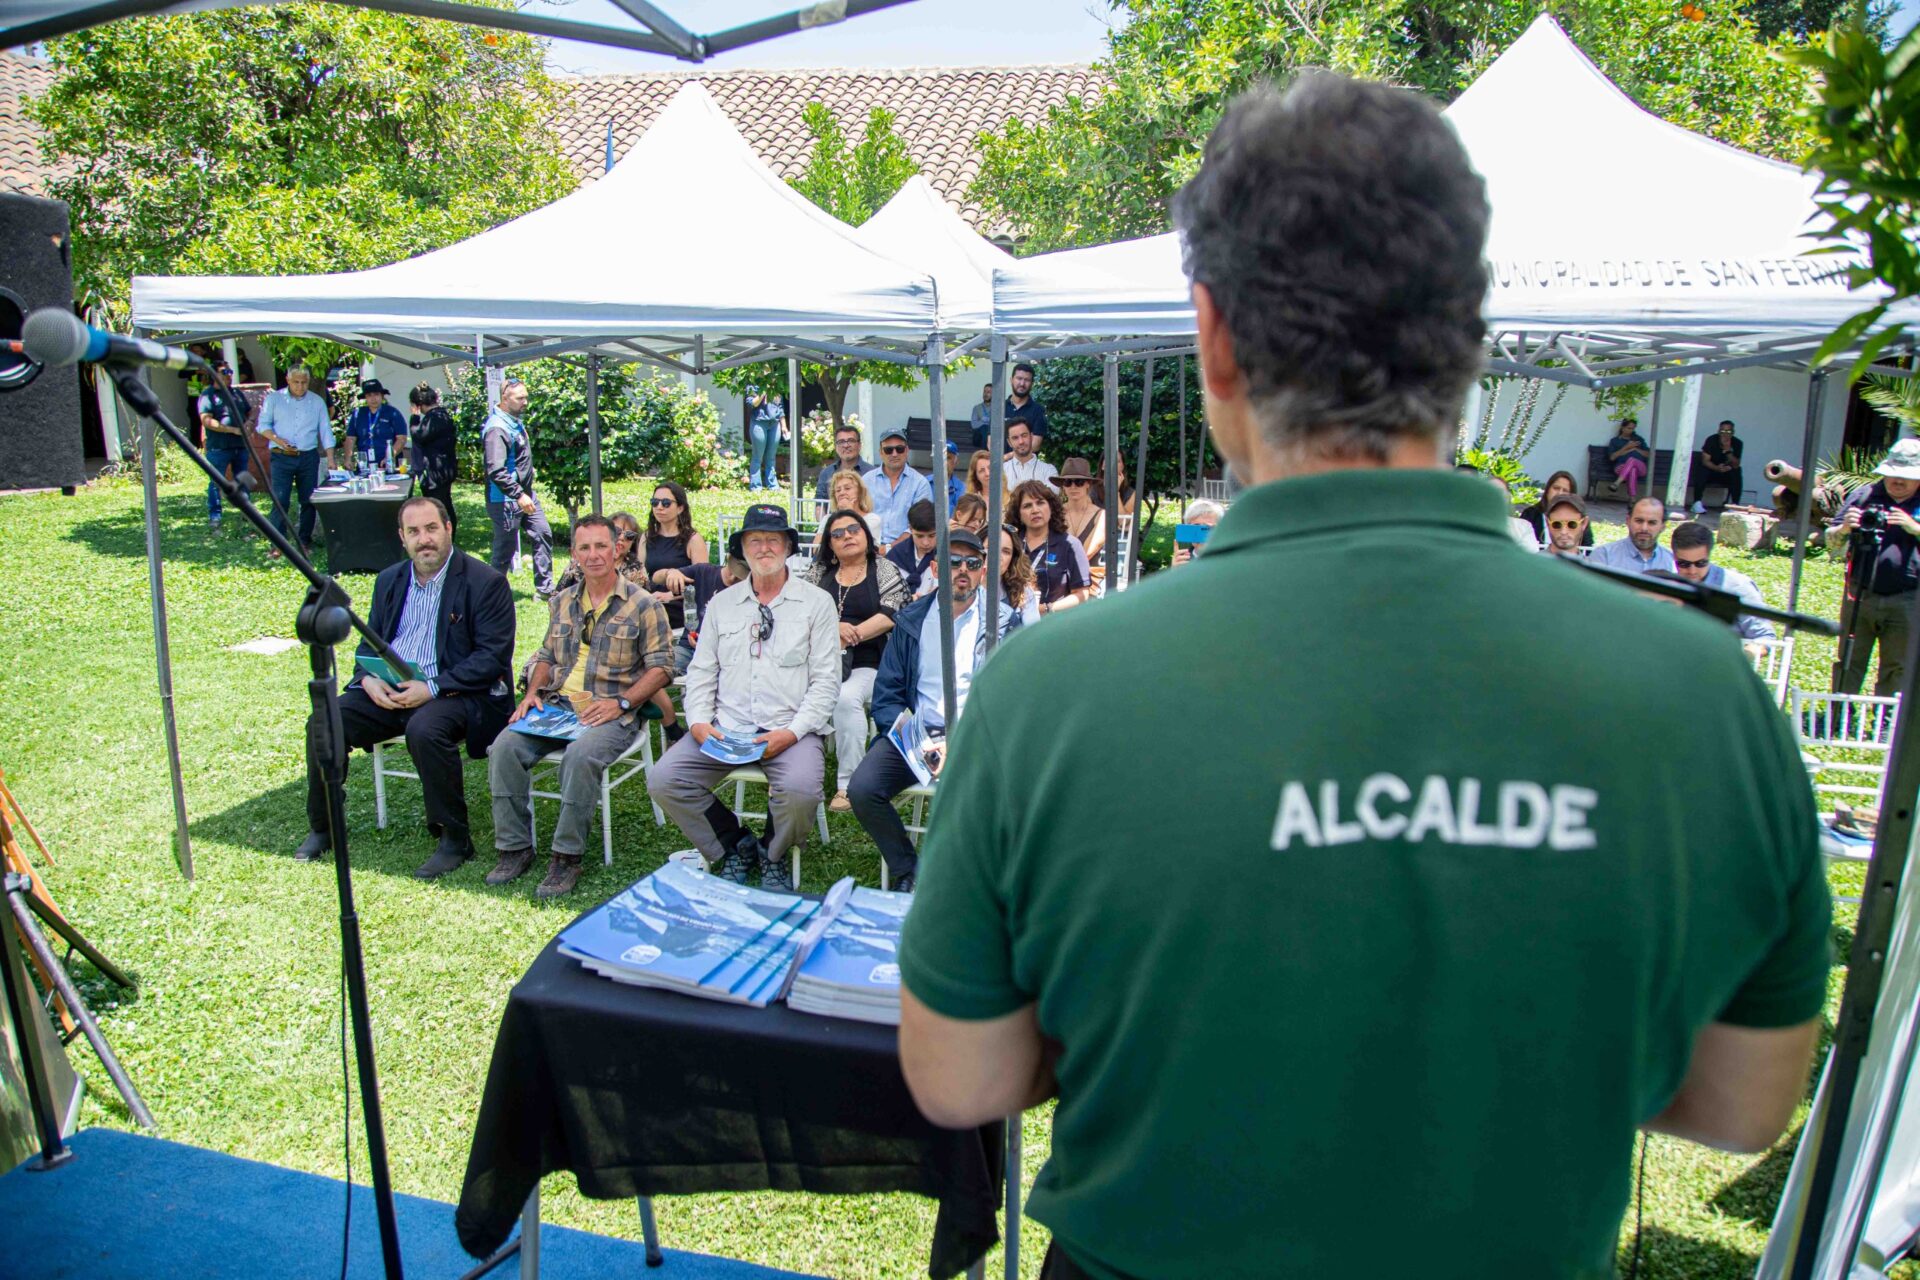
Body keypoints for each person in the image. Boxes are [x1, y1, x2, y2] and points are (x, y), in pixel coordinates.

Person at [896, 74, 1828, 1280]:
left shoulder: (1047, 687)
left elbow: (959, 1072)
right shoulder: (1700, 685)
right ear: (1469, 340)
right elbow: (1746, 1101)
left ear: (1214, 336)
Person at [293, 496, 515, 878]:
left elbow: (491, 657)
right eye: (413, 531)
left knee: (425, 729)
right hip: (393, 689)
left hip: (458, 691)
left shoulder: (485, 582)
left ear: (449, 528)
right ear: (402, 537)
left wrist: (432, 687)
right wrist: (367, 678)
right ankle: (324, 825)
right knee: (324, 720)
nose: (423, 539)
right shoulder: (390, 580)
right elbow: (369, 642)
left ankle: (454, 838)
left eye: (431, 528)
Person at [647, 504, 840, 891]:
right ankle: (734, 844)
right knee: (665, 779)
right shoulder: (722, 604)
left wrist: (792, 732)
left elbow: (826, 682)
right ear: (742, 549)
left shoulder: (817, 603)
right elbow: (702, 672)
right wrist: (698, 723)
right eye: (755, 540)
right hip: (727, 727)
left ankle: (773, 852)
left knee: (801, 791)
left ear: (788, 547)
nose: (764, 548)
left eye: (773, 540)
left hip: (790, 729)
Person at [487, 516, 674, 898]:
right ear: (573, 553)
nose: (593, 555)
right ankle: (514, 848)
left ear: (617, 549)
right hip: (557, 706)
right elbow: (546, 655)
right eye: (584, 548)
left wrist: (622, 702)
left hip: (611, 711)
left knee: (579, 757)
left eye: (601, 546)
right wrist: (532, 693)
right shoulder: (562, 601)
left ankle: (566, 857)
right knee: (504, 746)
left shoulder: (643, 604)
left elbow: (662, 669)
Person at [847, 528, 1021, 889]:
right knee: (863, 789)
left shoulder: (1002, 622)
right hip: (917, 733)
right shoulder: (912, 619)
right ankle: (910, 871)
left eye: (972, 562)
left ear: (983, 569)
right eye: (953, 562)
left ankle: (972, 876)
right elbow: (887, 694)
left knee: (998, 796)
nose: (963, 570)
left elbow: (1013, 701)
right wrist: (919, 742)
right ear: (937, 567)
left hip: (976, 738)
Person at [806, 509, 908, 812]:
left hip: (869, 662)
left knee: (845, 698)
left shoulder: (883, 568)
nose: (847, 536)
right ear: (830, 543)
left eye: (853, 529)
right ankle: (786, 766)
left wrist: (850, 635)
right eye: (837, 534)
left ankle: (848, 784)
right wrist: (833, 629)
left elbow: (893, 613)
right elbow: (799, 612)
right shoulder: (819, 572)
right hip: (819, 661)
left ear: (865, 534)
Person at [1832, 438, 1920, 696]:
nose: (1898, 480)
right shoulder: (1864, 496)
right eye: (1893, 474)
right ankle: (1839, 711)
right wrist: (1844, 529)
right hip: (1859, 594)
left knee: (1898, 665)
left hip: (1908, 599)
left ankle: (1886, 716)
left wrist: (1914, 528)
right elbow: (1831, 542)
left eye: (1907, 476)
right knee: (1849, 660)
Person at [482, 379, 556, 600]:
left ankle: (545, 590)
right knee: (504, 550)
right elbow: (496, 470)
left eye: (526, 397)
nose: (525, 402)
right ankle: (491, 596)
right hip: (505, 500)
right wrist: (518, 494)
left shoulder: (514, 421)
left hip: (525, 495)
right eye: (520, 398)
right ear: (505, 399)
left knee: (542, 533)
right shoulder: (497, 428)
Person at [256, 363, 335, 556]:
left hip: (307, 456)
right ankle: (278, 544)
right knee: (280, 499)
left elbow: (325, 430)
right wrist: (277, 439)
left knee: (308, 500)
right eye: (296, 382)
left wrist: (331, 458)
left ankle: (304, 541)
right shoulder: (274, 399)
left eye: (304, 382)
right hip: (281, 456)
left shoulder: (317, 401)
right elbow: (262, 425)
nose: (300, 386)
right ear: (288, 380)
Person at [1670, 521, 1776, 652]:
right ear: (1673, 556)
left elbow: (1765, 638)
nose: (1692, 571)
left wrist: (1744, 656)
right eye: (1683, 564)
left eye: (1701, 563)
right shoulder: (1666, 585)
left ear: (1709, 555)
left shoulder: (1738, 586)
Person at [639, 481, 709, 633]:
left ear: (680, 508)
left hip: (680, 604)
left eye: (666, 503)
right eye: (655, 502)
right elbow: (640, 577)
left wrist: (669, 595)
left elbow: (703, 583)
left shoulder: (693, 540)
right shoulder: (647, 537)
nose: (659, 507)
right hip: (650, 601)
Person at [1011, 479, 1090, 613]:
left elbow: (1082, 595)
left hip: (1053, 619)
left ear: (1051, 508)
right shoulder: (1011, 543)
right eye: (1027, 506)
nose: (1035, 510)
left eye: (1040, 503)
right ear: (1019, 514)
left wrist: (1047, 609)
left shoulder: (1070, 545)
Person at [198, 361, 249, 531]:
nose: (229, 375)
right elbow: (206, 420)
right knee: (216, 482)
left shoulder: (236, 393)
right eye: (224, 372)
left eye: (230, 371)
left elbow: (249, 412)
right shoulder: (208, 395)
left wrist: (249, 423)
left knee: (242, 479)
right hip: (219, 447)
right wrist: (231, 430)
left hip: (240, 446)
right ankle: (215, 516)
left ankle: (247, 513)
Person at [407, 381, 459, 539]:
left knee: (439, 506)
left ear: (418, 405)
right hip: (444, 467)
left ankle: (446, 536)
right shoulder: (441, 415)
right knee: (444, 504)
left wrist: (414, 418)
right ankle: (447, 535)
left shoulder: (434, 418)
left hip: (437, 471)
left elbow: (418, 436)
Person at [868, 427, 933, 545]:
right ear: (880, 452)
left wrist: (891, 548)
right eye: (888, 450)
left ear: (907, 450)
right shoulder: (866, 481)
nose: (894, 454)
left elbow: (920, 524)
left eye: (899, 449)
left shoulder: (920, 483)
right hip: (869, 547)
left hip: (906, 548)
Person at [1055, 458, 1110, 593]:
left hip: (1088, 578)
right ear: (1063, 486)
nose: (1073, 487)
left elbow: (1087, 553)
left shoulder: (1101, 515)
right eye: (1068, 482)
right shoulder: (1055, 513)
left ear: (1088, 484)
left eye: (1079, 482)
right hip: (1057, 576)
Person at [1592, 496, 1677, 575]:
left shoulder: (1672, 561)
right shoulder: (1604, 556)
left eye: (1652, 523)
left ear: (1663, 526)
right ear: (1628, 521)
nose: (1644, 528)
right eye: (1639, 521)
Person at [342, 379, 408, 472]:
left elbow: (401, 439)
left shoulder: (392, 413)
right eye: (369, 395)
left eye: (376, 394)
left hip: (388, 465)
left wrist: (389, 457)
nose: (373, 399)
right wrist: (348, 459)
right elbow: (350, 438)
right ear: (365, 397)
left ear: (382, 396)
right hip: (365, 466)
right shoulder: (358, 414)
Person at [1521, 470, 1593, 548]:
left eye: (1565, 490)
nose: (1559, 493)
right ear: (1547, 490)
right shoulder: (1530, 514)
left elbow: (1587, 547)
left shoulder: (1578, 518)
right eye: (1556, 488)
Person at [886, 498, 939, 597]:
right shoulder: (895, 555)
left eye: (932, 536)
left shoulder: (947, 556)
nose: (926, 543)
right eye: (919, 536)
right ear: (910, 529)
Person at [1692, 419, 1745, 513]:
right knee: (1702, 469)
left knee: (1737, 472)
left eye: (1728, 431)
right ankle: (1697, 503)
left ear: (1733, 432)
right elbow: (1705, 461)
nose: (1725, 434)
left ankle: (1734, 505)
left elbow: (1736, 464)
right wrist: (1716, 468)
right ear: (1718, 431)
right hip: (1712, 471)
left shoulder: (1737, 443)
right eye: (1722, 431)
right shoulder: (1711, 440)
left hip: (1726, 473)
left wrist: (1728, 451)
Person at [823, 468, 884, 547]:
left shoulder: (872, 519)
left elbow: (861, 543)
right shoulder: (827, 519)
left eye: (847, 488)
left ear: (860, 492)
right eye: (838, 490)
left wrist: (848, 512)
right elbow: (817, 549)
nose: (842, 493)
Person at [814, 422, 874, 500]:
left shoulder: (872, 473)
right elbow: (820, 502)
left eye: (851, 441)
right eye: (841, 442)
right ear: (836, 447)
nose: (846, 445)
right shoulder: (826, 473)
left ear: (859, 445)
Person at [745, 384, 786, 491]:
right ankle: (756, 486)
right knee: (757, 456)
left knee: (771, 457)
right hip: (759, 423)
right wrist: (763, 390)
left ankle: (773, 485)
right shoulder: (752, 386)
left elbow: (780, 407)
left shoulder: (776, 385)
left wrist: (784, 425)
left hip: (774, 424)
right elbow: (752, 403)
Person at [1003, 421, 1058, 490]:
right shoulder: (1002, 470)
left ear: (1031, 437)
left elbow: (1051, 495)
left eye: (1024, 435)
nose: (1021, 441)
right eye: (1015, 438)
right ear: (1009, 442)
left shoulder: (1048, 470)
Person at [1170, 498, 1224, 567]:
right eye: (1196, 527)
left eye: (1208, 528)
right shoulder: (1181, 562)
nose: (1202, 534)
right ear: (1189, 531)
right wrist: (1175, 571)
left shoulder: (1231, 560)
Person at [1606, 417, 1652, 498]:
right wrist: (1627, 447)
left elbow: (1648, 454)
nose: (1631, 430)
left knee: (1632, 460)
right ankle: (1632, 498)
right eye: (1629, 428)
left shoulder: (1638, 439)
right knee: (1632, 470)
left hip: (1641, 468)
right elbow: (1612, 458)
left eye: (1633, 428)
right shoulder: (1615, 441)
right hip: (1621, 467)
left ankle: (1617, 482)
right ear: (1622, 428)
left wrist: (1635, 449)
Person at [1005, 361, 1049, 443]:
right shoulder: (999, 407)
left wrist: (1009, 453)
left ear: (1032, 384)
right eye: (1019, 378)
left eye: (1027, 380)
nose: (1022, 383)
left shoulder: (1038, 410)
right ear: (1011, 380)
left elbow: (1035, 444)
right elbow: (991, 441)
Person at [1541, 491, 1591, 557]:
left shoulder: (1589, 564)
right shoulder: (1531, 563)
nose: (1563, 532)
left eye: (1572, 524)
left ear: (1584, 523)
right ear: (1547, 523)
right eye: (1556, 524)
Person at [938, 440, 965, 515]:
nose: (944, 462)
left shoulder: (962, 488)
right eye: (941, 457)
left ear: (956, 462)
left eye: (948, 458)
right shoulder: (924, 483)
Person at [969, 382, 995, 452]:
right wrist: (984, 422)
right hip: (978, 438)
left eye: (988, 392)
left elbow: (997, 424)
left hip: (992, 436)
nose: (985, 394)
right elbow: (974, 425)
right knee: (984, 428)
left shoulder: (996, 408)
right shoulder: (977, 408)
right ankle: (987, 451)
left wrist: (984, 421)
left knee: (987, 430)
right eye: (984, 392)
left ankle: (985, 452)